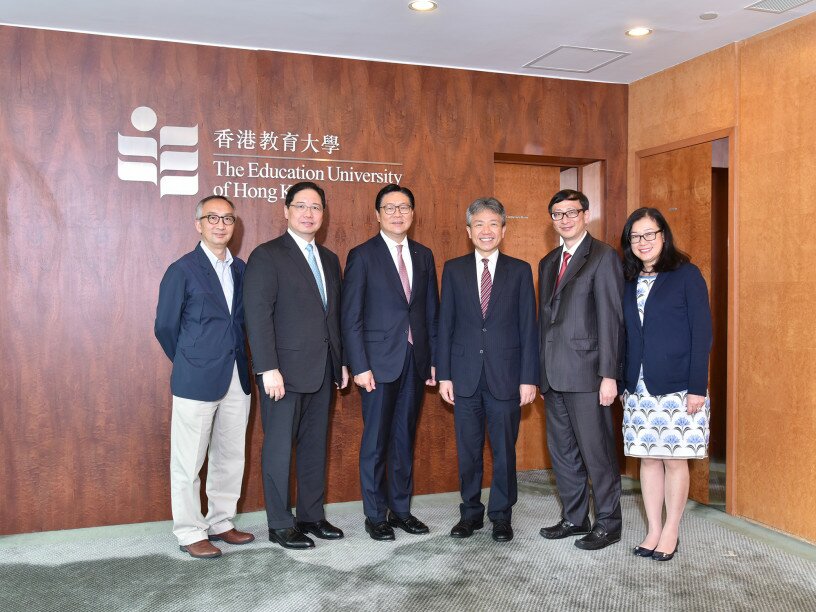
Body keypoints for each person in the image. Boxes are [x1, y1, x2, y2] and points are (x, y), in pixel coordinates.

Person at [243, 181, 348, 550]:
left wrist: (341, 362)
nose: (309, 213)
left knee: (314, 447)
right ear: (286, 210)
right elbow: (257, 316)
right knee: (278, 448)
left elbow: (332, 318)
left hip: (322, 371)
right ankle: (280, 523)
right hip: (281, 375)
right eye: (301, 206)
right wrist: (267, 367)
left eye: (316, 207)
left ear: (323, 214)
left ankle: (311, 515)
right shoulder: (267, 255)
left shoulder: (330, 259)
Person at [154, 195, 254, 559]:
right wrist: (190, 360)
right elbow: (165, 326)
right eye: (212, 218)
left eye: (228, 218)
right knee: (189, 460)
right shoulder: (182, 269)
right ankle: (189, 530)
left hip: (236, 376)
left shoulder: (242, 269)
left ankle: (221, 522)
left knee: (231, 455)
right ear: (198, 224)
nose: (221, 224)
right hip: (196, 378)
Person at [437, 198, 538, 543]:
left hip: (506, 378)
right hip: (464, 377)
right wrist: (444, 375)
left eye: (493, 223)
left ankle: (501, 516)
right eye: (479, 224)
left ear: (504, 230)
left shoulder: (521, 270)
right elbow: (444, 324)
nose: (486, 230)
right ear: (468, 231)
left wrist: (529, 378)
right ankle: (470, 514)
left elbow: (529, 327)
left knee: (504, 452)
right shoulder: (453, 269)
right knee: (468, 450)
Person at [342, 184, 439, 541]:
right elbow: (350, 316)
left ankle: (400, 510)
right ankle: (374, 514)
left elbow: (431, 310)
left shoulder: (424, 254)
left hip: (415, 362)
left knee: (403, 440)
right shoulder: (362, 255)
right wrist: (359, 365)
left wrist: (433, 360)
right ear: (377, 214)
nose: (398, 214)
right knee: (376, 442)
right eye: (390, 208)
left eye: (404, 207)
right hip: (377, 366)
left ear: (413, 213)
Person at [620, 207, 712, 562]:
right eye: (635, 236)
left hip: (678, 386)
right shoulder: (629, 280)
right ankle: (653, 529)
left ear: (663, 235)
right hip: (639, 387)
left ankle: (671, 530)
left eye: (649, 234)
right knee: (647, 460)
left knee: (675, 460)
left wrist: (696, 388)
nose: (643, 242)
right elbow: (625, 334)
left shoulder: (686, 275)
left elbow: (701, 332)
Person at [538, 189, 624, 551]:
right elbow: (546, 321)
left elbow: (612, 319)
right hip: (553, 375)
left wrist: (610, 375)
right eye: (558, 214)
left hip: (589, 375)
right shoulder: (547, 261)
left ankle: (609, 523)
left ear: (586, 215)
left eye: (572, 212)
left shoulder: (603, 257)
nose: (565, 219)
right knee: (563, 452)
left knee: (597, 451)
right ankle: (575, 518)